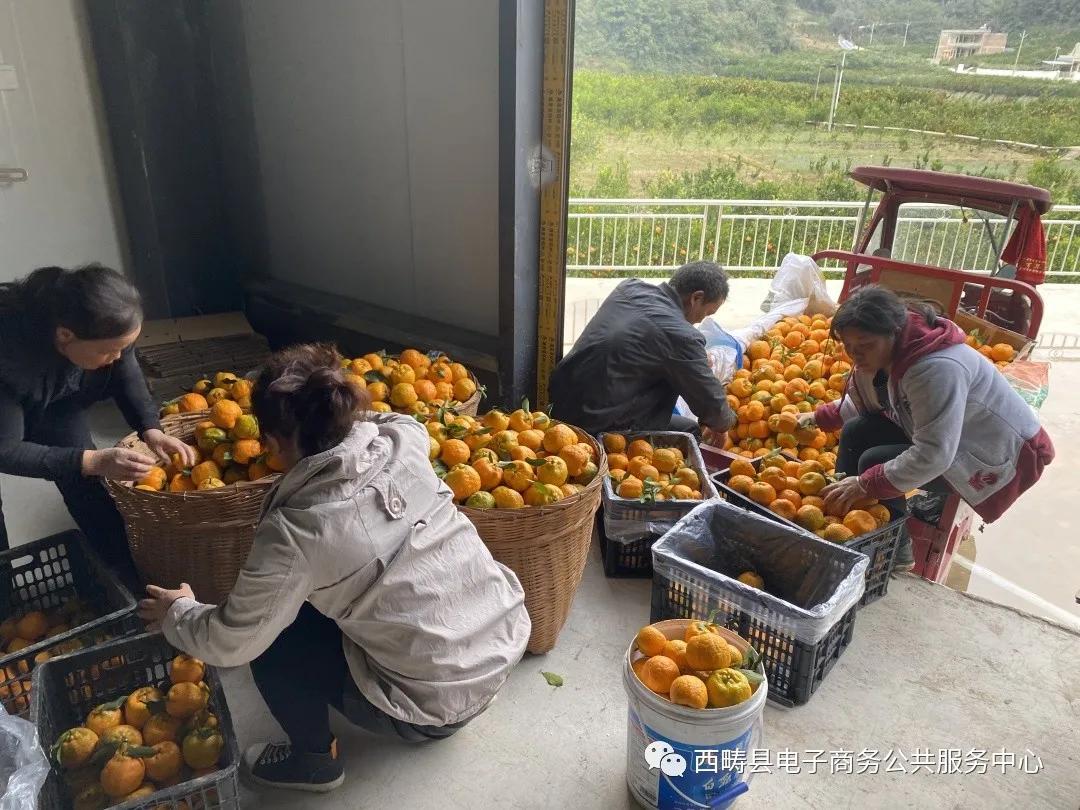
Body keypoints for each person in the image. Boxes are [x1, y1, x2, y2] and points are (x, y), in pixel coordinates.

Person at [137, 343, 531, 793]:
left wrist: (178, 611)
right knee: (316, 588)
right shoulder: (406, 439)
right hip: (501, 647)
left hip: (430, 710)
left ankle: (313, 764)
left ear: (273, 443)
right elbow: (384, 421)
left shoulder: (297, 530)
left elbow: (231, 642)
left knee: (274, 635)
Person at [812, 286, 1054, 569]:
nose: (855, 355)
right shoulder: (892, 351)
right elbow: (873, 398)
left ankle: (893, 551)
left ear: (893, 332)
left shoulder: (934, 369)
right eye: (848, 346)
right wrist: (816, 419)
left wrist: (865, 483)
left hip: (997, 454)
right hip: (951, 435)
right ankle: (843, 521)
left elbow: (934, 454)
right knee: (857, 431)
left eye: (865, 345)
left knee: (873, 462)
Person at [0, 265, 194, 580]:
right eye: (108, 350)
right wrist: (92, 460)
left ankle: (125, 576)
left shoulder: (88, 326)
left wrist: (151, 428)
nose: (117, 357)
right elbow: (5, 450)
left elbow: (126, 371)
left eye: (123, 347)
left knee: (85, 478)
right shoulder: (9, 359)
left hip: (54, 398)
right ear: (65, 335)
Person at [550, 261, 737, 436]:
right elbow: (712, 407)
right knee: (690, 431)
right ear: (696, 298)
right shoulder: (682, 336)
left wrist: (695, 358)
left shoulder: (629, 288)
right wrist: (727, 423)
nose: (700, 320)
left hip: (562, 403)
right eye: (707, 313)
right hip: (595, 424)